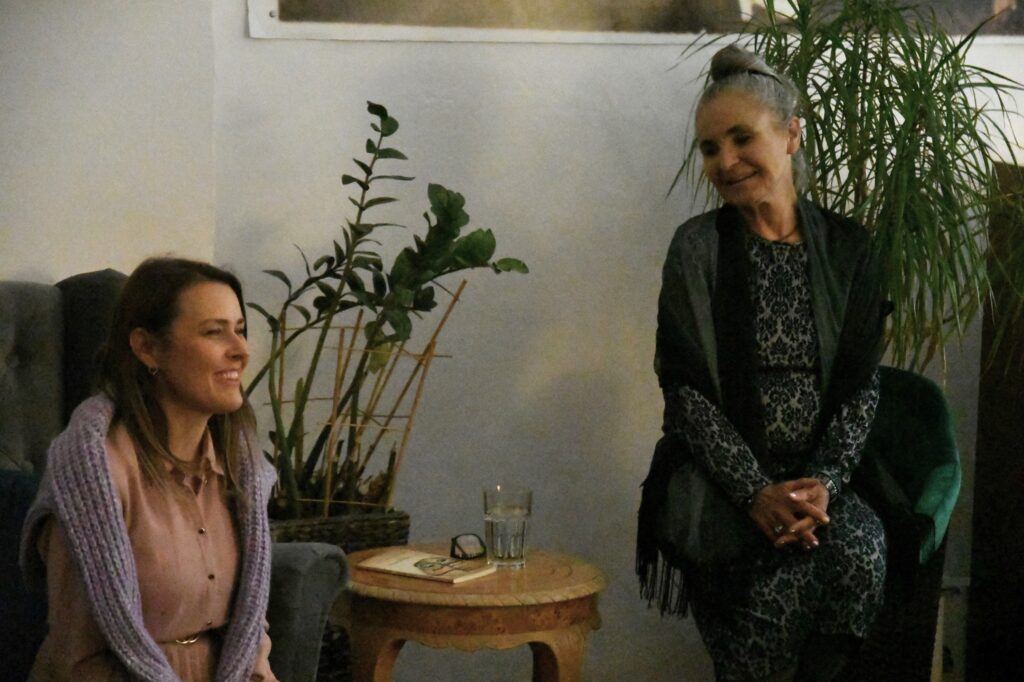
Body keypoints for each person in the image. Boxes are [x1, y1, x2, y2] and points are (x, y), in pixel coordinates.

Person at [637, 45, 890, 682]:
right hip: (720, 481)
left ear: (791, 135)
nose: (725, 161)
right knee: (773, 580)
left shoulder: (851, 250)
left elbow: (860, 388)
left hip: (818, 484)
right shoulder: (696, 250)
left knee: (861, 552)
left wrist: (822, 484)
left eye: (741, 138)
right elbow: (686, 394)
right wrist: (755, 492)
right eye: (710, 148)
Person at [20, 257, 278, 681]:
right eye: (214, 332)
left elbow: (252, 637)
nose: (241, 350)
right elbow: (78, 662)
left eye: (240, 329)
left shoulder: (244, 469)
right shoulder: (93, 477)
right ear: (147, 348)